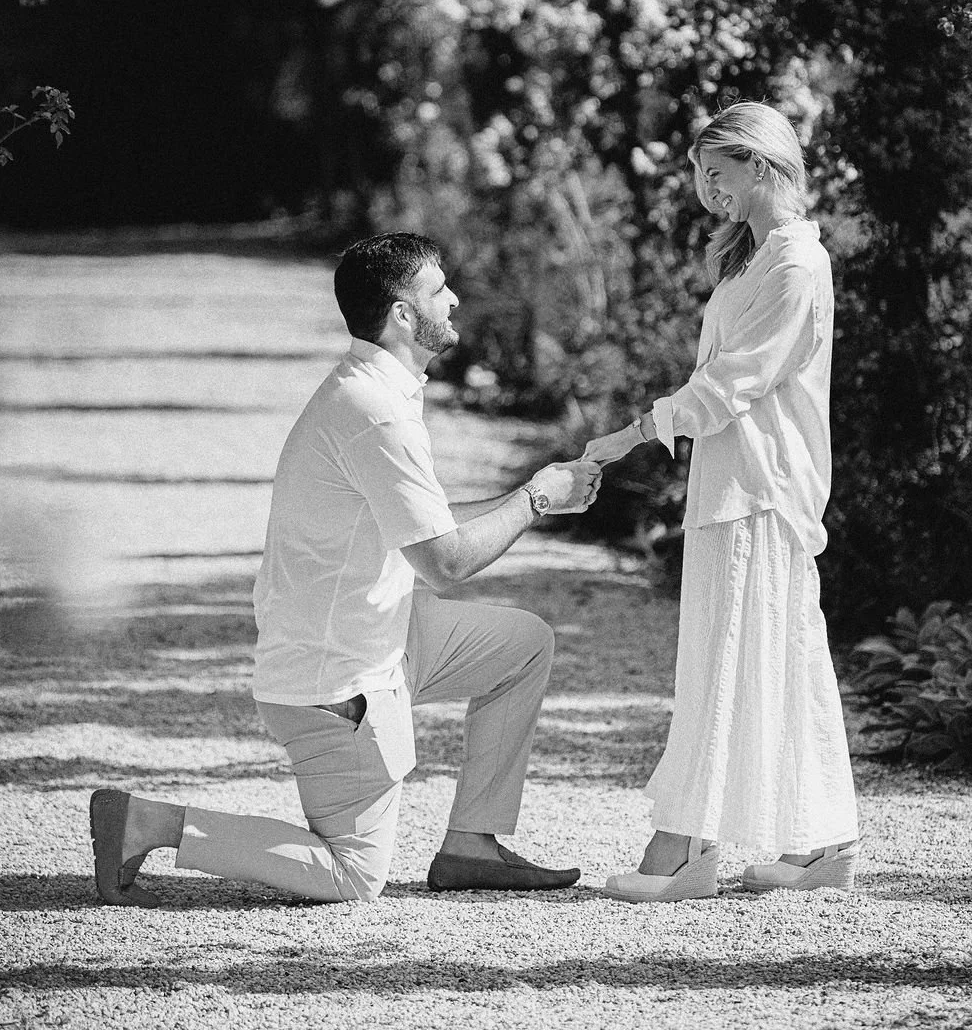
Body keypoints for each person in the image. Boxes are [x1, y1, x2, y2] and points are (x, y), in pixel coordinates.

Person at [90, 232, 601, 907]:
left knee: (522, 645)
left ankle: (471, 844)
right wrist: (536, 499)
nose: (453, 299)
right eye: (437, 290)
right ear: (402, 316)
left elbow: (422, 516)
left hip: (382, 638)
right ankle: (149, 823)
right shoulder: (375, 410)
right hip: (334, 681)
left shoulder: (373, 389)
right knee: (354, 875)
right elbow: (446, 562)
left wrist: (527, 501)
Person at [585, 101, 859, 903]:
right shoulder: (757, 257)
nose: (708, 190)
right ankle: (820, 842)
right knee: (776, 654)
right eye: (700, 176)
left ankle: (684, 846)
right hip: (741, 481)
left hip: (759, 488)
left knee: (731, 654)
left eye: (718, 172)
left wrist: (638, 429)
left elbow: (735, 382)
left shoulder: (795, 265)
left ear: (764, 163)